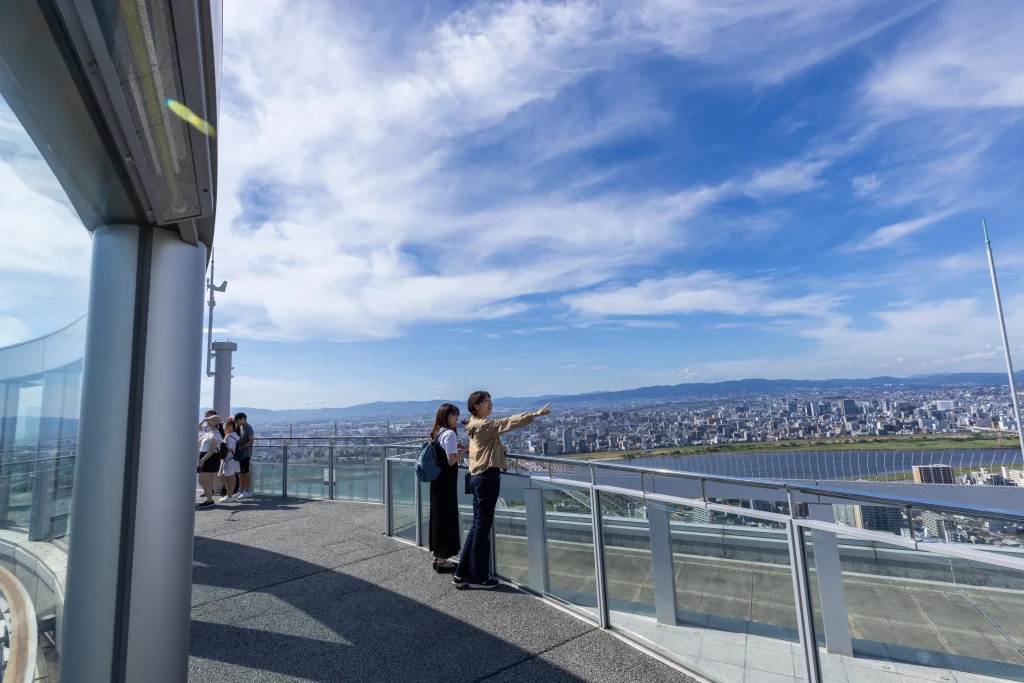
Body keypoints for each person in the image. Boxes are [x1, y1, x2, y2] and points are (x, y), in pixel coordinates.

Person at [453, 392, 551, 589]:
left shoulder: (474, 424)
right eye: (486, 401)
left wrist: (501, 449)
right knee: (482, 529)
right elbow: (508, 422)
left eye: (489, 399)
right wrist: (536, 414)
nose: (490, 403)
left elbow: (483, 447)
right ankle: (478, 577)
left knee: (477, 527)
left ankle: (462, 573)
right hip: (486, 478)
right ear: (476, 406)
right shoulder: (483, 425)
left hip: (477, 477)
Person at [428, 403, 468, 573]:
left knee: (437, 517)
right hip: (446, 482)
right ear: (446, 416)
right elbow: (451, 460)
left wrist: (456, 448)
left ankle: (438, 557)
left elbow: (442, 452)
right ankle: (443, 561)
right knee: (447, 518)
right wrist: (464, 449)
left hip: (436, 481)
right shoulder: (449, 434)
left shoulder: (436, 432)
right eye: (454, 415)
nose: (456, 419)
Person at [197, 414, 224, 508]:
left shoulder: (215, 434)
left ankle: (210, 500)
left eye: (208, 421)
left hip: (210, 457)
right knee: (204, 480)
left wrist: (203, 459)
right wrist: (204, 420)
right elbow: (197, 429)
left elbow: (212, 450)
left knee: (204, 480)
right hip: (206, 456)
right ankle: (209, 499)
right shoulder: (209, 433)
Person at [217, 419, 241, 503]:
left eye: (224, 426)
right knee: (233, 477)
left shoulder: (228, 437)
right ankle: (230, 495)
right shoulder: (236, 436)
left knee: (228, 478)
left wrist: (222, 448)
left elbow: (229, 449)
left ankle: (229, 496)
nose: (223, 428)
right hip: (235, 459)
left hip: (229, 459)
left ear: (230, 427)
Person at [233, 412, 255, 499]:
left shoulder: (248, 428)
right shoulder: (242, 428)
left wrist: (242, 446)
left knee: (245, 472)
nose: (237, 423)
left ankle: (247, 490)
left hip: (246, 453)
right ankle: (241, 490)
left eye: (237, 421)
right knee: (241, 473)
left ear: (242, 419)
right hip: (242, 454)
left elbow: (251, 440)